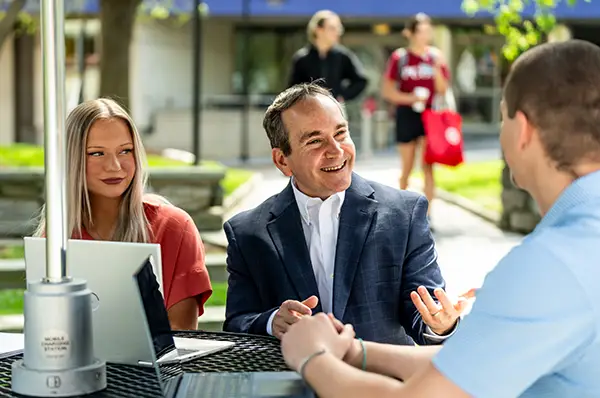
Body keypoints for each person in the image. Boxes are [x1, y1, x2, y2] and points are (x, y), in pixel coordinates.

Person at [280, 40, 600, 397]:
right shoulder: (579, 244)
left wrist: (313, 358)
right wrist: (357, 351)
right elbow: (472, 364)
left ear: (522, 130)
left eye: (502, 116)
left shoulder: (549, 265)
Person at [223, 82, 468, 346]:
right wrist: (271, 322)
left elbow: (425, 317)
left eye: (340, 134)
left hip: (383, 383)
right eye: (315, 141)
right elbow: (237, 324)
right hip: (292, 383)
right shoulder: (247, 232)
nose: (336, 150)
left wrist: (442, 325)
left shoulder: (405, 213)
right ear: (282, 160)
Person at [34, 98, 212, 330]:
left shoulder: (174, 227)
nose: (115, 166)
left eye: (125, 151)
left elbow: (181, 333)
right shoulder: (57, 236)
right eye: (97, 153)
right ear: (71, 159)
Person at [381, 13, 450, 229]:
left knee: (429, 167)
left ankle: (428, 216)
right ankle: (402, 215)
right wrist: (411, 98)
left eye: (428, 30)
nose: (426, 35)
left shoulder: (435, 56)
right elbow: (388, 91)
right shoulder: (400, 58)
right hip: (407, 114)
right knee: (407, 167)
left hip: (430, 115)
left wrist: (437, 68)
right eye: (421, 30)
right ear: (410, 33)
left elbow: (442, 89)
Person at [288, 10, 368, 103]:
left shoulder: (342, 56)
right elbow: (292, 89)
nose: (337, 33)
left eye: (339, 29)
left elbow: (360, 81)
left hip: (334, 109)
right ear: (318, 30)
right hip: (309, 109)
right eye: (332, 28)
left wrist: (342, 95)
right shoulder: (302, 58)